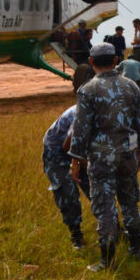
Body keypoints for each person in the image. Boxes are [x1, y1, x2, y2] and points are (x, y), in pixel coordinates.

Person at [69, 42, 140, 271]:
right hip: (128, 154)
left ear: (91, 62)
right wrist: (139, 150)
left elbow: (81, 129)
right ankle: (136, 250)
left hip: (102, 158)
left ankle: (107, 260)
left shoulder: (87, 90)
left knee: (105, 208)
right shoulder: (132, 86)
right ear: (115, 60)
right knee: (130, 202)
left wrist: (75, 160)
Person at [42, 104, 91, 250]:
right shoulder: (86, 111)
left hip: (80, 149)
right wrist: (87, 165)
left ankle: (114, 229)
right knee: (67, 192)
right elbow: (68, 145)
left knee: (97, 188)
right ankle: (76, 236)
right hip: (57, 150)